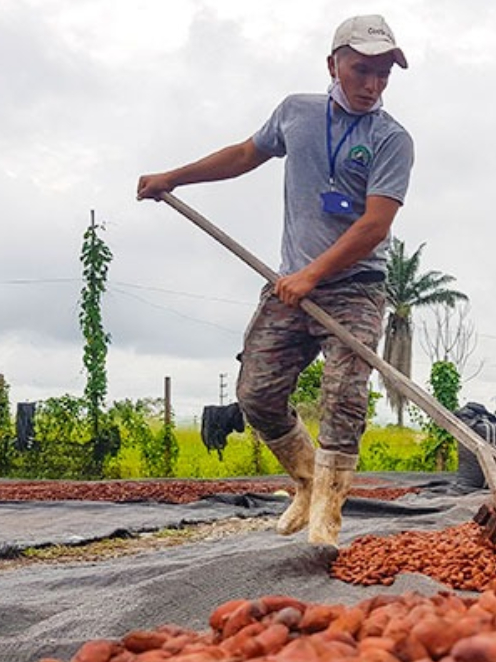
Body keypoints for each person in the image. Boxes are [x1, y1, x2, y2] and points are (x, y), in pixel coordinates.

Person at [136, 15, 415, 545]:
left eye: (383, 74)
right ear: (333, 64)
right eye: (361, 70)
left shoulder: (392, 139)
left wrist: (314, 274)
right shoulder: (297, 113)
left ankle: (327, 518)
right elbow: (245, 155)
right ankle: (308, 483)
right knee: (257, 394)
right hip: (292, 282)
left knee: (343, 395)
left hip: (355, 285)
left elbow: (375, 224)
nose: (372, 84)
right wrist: (173, 177)